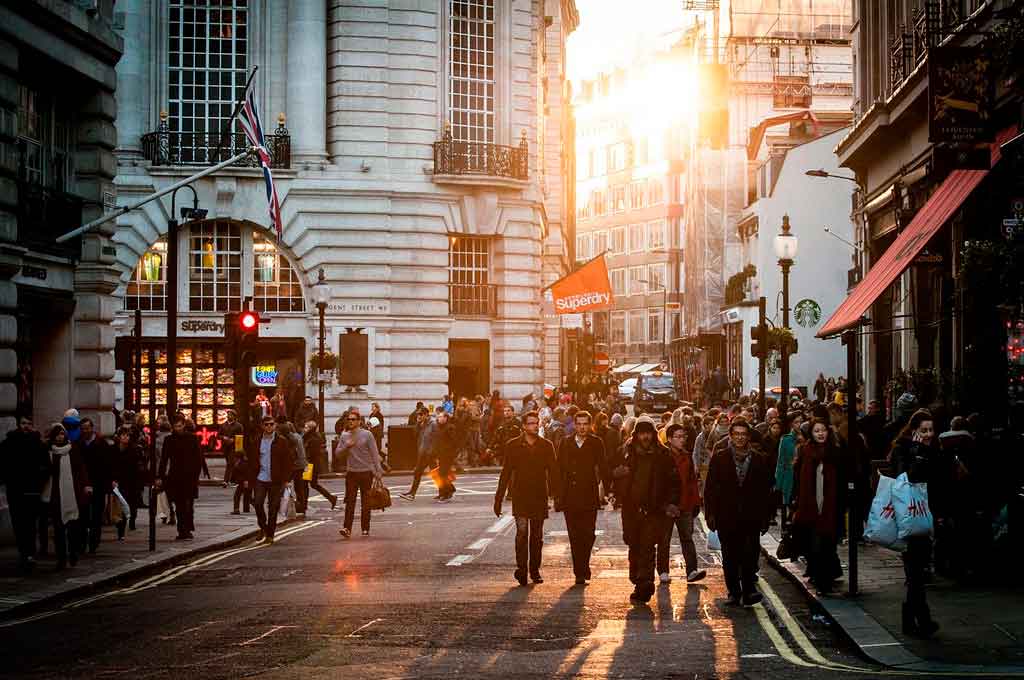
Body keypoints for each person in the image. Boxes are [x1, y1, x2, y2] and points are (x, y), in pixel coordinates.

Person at [704, 417, 773, 606]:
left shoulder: (759, 459)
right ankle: (734, 592)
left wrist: (766, 517)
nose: (740, 438)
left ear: (748, 436)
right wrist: (710, 514)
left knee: (750, 554)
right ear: (731, 436)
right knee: (730, 555)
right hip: (727, 515)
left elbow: (765, 491)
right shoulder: (720, 457)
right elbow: (710, 488)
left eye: (743, 434)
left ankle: (749, 590)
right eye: (736, 434)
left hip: (751, 516)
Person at [887, 409, 941, 637]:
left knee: (918, 573)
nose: (928, 434)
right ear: (914, 430)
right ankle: (920, 620)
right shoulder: (903, 449)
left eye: (931, 430)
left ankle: (912, 620)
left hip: (926, 515)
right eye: (924, 430)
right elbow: (905, 480)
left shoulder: (931, 449)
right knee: (916, 572)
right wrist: (918, 454)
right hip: (909, 516)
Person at [494, 411, 561, 586]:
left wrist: (557, 496)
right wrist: (498, 498)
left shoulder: (546, 445)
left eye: (536, 423)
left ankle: (535, 570)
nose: (534, 426)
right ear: (524, 426)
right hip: (520, 495)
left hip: (539, 495)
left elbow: (554, 472)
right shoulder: (513, 445)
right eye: (530, 423)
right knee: (522, 533)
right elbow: (506, 472)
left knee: (537, 536)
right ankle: (522, 570)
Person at [555, 410, 610, 585]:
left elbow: (603, 467)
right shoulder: (565, 442)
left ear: (590, 424)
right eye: (579, 424)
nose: (582, 427)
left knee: (588, 534)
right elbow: (559, 469)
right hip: (570, 495)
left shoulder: (596, 442)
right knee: (574, 535)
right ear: (574, 425)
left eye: (585, 424)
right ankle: (580, 571)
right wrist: (557, 494)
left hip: (589, 494)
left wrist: (608, 491)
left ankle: (584, 564)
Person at [791, 418, 845, 593]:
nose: (820, 434)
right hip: (810, 507)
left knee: (828, 547)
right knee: (815, 547)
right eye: (816, 431)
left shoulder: (835, 452)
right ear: (811, 434)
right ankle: (820, 578)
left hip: (831, 507)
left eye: (823, 430)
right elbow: (798, 478)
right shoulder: (805, 451)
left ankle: (825, 582)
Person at [0, 416, 49, 570]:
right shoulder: (9, 442)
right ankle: (24, 552)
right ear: (18, 425)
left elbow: (46, 466)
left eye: (28, 424)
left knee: (30, 524)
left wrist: (39, 482)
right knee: (18, 523)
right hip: (15, 490)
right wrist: (7, 479)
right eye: (23, 423)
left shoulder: (38, 443)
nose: (26, 426)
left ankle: (29, 553)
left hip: (33, 490)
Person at [660, 423, 707, 584]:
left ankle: (692, 571)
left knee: (687, 538)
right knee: (664, 540)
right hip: (668, 506)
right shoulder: (662, 456)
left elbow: (692, 481)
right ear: (670, 439)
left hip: (685, 504)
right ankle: (663, 571)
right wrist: (664, 504)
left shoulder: (687, 456)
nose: (682, 440)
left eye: (684, 437)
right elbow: (658, 483)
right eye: (678, 437)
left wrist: (695, 503)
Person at [42, 424, 88, 570]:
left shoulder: (72, 450)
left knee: (73, 528)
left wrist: (86, 485)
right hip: (55, 495)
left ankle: (73, 553)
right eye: (58, 434)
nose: (60, 437)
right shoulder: (49, 452)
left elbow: (81, 469)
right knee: (58, 530)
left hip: (72, 494)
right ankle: (61, 558)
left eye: (62, 434)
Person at [336, 409, 384, 538]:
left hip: (366, 473)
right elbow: (338, 454)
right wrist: (346, 446)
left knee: (366, 502)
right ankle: (347, 528)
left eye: (353, 419)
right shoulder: (344, 436)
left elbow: (374, 453)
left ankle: (365, 528)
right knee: (350, 502)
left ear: (359, 421)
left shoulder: (367, 435)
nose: (350, 421)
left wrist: (378, 471)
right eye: (349, 419)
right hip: (351, 473)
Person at [248, 416, 295, 544]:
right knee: (257, 503)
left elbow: (288, 462)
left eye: (271, 424)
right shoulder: (257, 441)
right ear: (262, 426)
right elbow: (252, 462)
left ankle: (270, 535)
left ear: (275, 426)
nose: (269, 426)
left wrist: (286, 479)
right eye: (266, 424)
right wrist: (248, 479)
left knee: (273, 508)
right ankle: (263, 527)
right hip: (260, 479)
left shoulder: (281, 441)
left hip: (276, 480)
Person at [156, 415, 203, 541]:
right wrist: (160, 476)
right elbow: (164, 460)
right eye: (176, 426)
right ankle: (182, 531)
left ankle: (187, 529)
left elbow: (198, 459)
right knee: (179, 505)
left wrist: (196, 476)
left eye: (180, 426)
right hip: (175, 476)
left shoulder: (192, 439)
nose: (178, 428)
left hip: (190, 477)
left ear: (184, 425)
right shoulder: (169, 440)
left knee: (188, 505)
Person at [74, 417, 114, 554]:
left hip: (99, 484)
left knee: (97, 516)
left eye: (87, 428)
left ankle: (93, 543)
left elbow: (108, 465)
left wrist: (108, 483)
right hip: (82, 485)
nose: (85, 431)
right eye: (83, 428)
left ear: (92, 428)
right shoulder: (77, 444)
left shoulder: (101, 443)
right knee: (82, 516)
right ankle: (81, 543)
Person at [111, 426, 144, 537]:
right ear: (119, 437)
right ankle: (121, 528)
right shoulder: (114, 449)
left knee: (131, 504)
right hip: (119, 481)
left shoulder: (134, 450)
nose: (125, 437)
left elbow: (138, 467)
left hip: (132, 481)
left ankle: (132, 521)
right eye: (123, 435)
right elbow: (110, 465)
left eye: (127, 435)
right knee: (121, 505)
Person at [400, 407, 437, 501]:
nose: (419, 416)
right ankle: (412, 493)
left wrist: (434, 452)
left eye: (421, 415)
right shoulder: (422, 424)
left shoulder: (433, 424)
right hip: (422, 453)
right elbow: (415, 434)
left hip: (430, 454)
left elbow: (437, 439)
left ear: (426, 415)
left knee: (434, 474)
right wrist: (418, 423)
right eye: (418, 415)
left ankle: (446, 491)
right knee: (420, 473)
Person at [303, 420, 338, 510]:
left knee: (306, 484)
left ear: (310, 428)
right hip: (311, 465)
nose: (304, 429)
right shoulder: (310, 437)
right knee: (312, 484)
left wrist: (306, 462)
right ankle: (331, 498)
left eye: (306, 427)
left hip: (310, 465)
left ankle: (304, 504)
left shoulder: (312, 439)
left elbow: (311, 454)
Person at [774, 412, 802, 527]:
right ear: (791, 424)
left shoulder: (807, 438)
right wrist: (778, 482)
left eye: (800, 422)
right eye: (796, 422)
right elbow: (781, 462)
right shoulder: (785, 439)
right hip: (790, 475)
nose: (799, 425)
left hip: (802, 475)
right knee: (789, 504)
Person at [278, 421, 309, 519]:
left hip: (295, 465)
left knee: (286, 486)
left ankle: (285, 506)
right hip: (302, 464)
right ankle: (302, 507)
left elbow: (293, 454)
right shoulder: (297, 436)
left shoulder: (289, 439)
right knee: (300, 487)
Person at [432, 409, 459, 501]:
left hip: (447, 455)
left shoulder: (450, 427)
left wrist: (451, 453)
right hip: (441, 454)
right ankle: (444, 492)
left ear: (446, 418)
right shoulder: (439, 427)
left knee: (442, 474)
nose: (439, 418)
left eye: (441, 417)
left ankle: (447, 492)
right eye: (438, 417)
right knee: (442, 474)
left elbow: (454, 442)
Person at [219, 409, 245, 490]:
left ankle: (225, 481)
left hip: (234, 447)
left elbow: (241, 436)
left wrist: (233, 440)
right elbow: (218, 435)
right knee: (231, 464)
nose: (229, 416)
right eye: (228, 414)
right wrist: (223, 437)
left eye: (230, 414)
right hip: (226, 447)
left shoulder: (239, 426)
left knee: (230, 464)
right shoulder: (223, 425)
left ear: (234, 416)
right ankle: (235, 480)